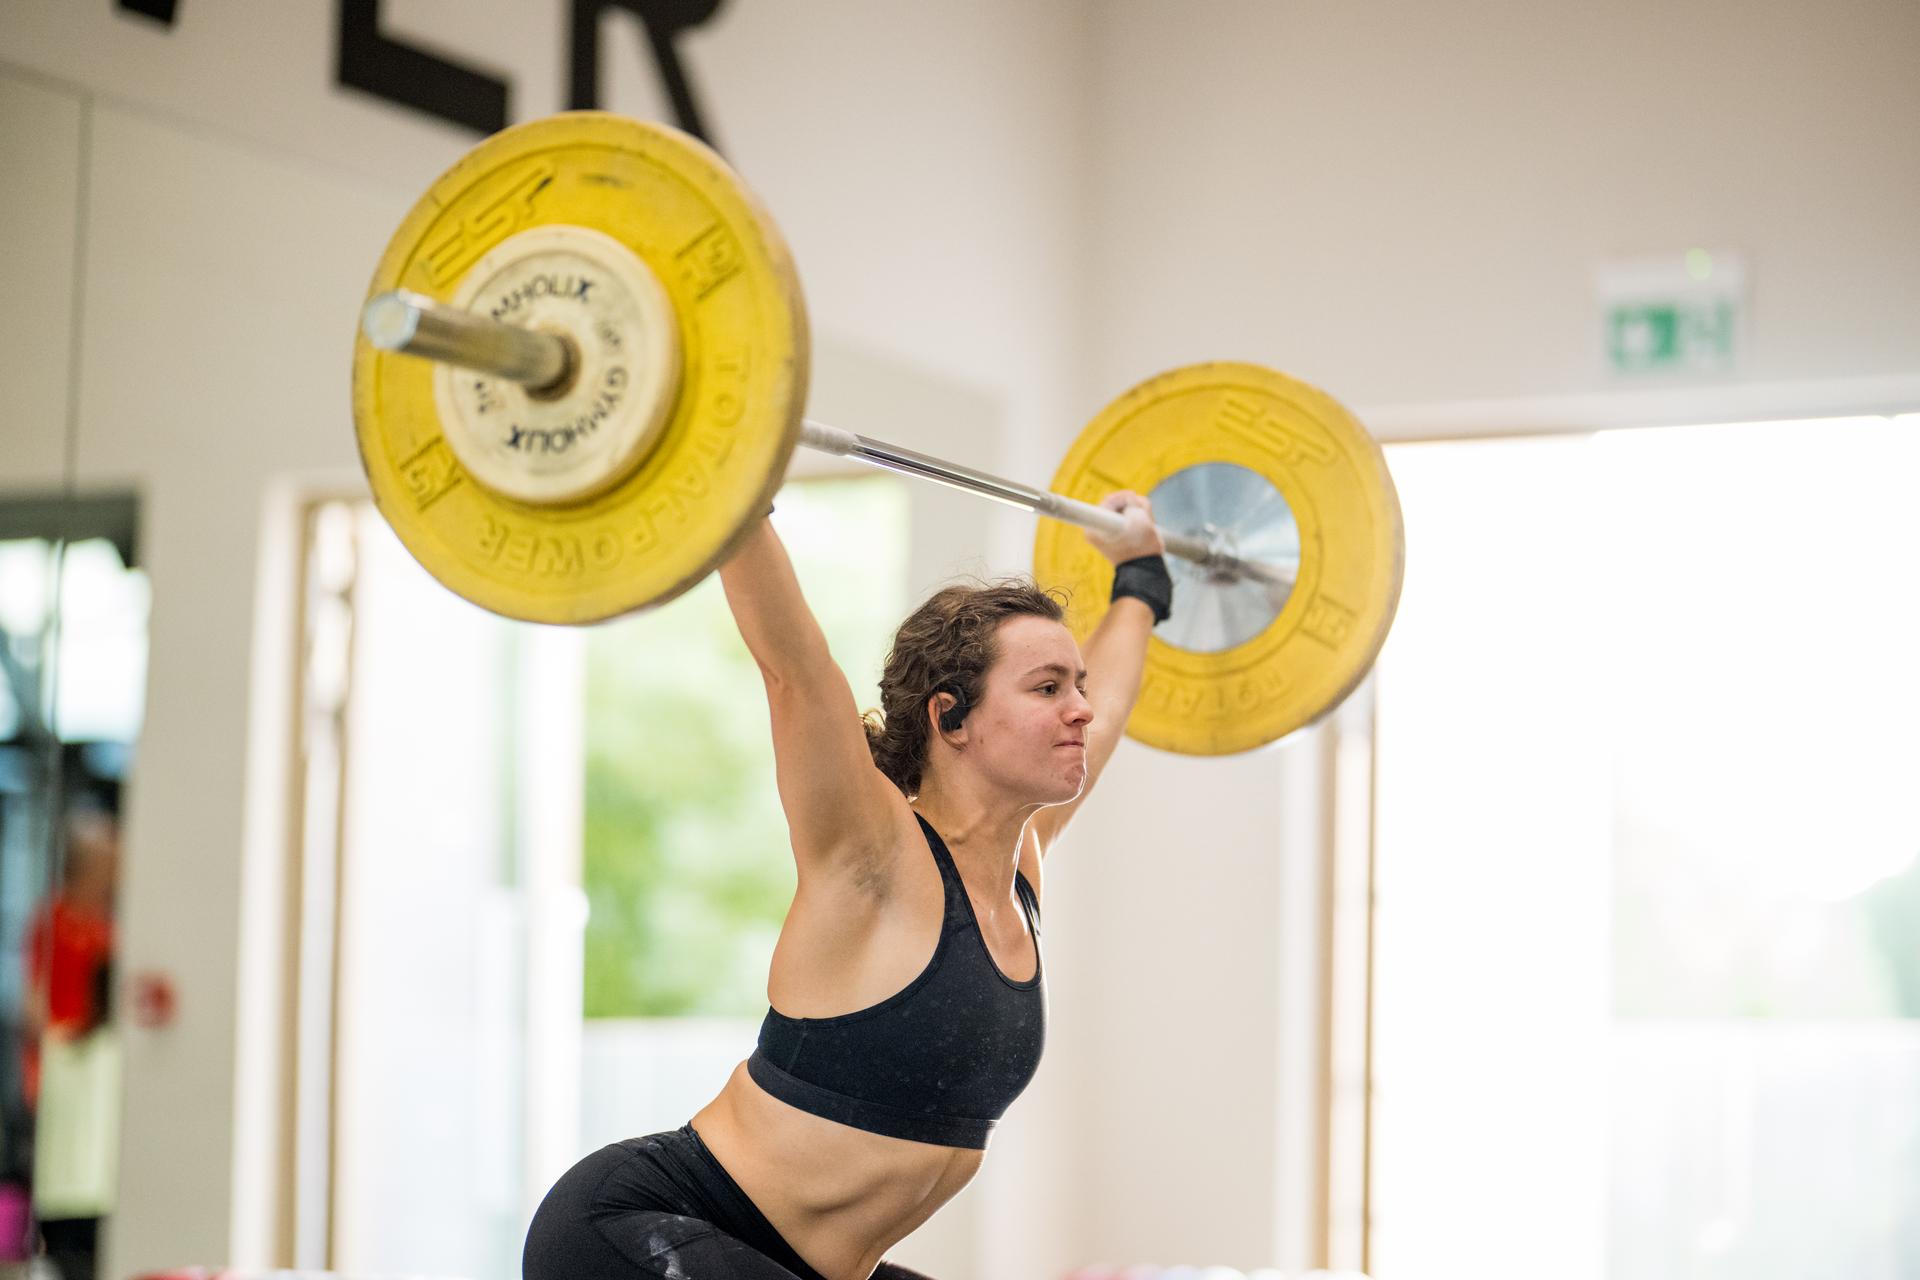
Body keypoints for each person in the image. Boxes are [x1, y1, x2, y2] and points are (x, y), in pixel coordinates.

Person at [524, 491, 1172, 1280]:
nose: (1082, 711)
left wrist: (1141, 581)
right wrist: (735, 498)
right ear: (950, 718)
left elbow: (1111, 701)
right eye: (1047, 689)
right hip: (642, 1228)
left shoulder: (1019, 869)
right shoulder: (872, 854)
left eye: (1078, 685)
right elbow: (795, 673)